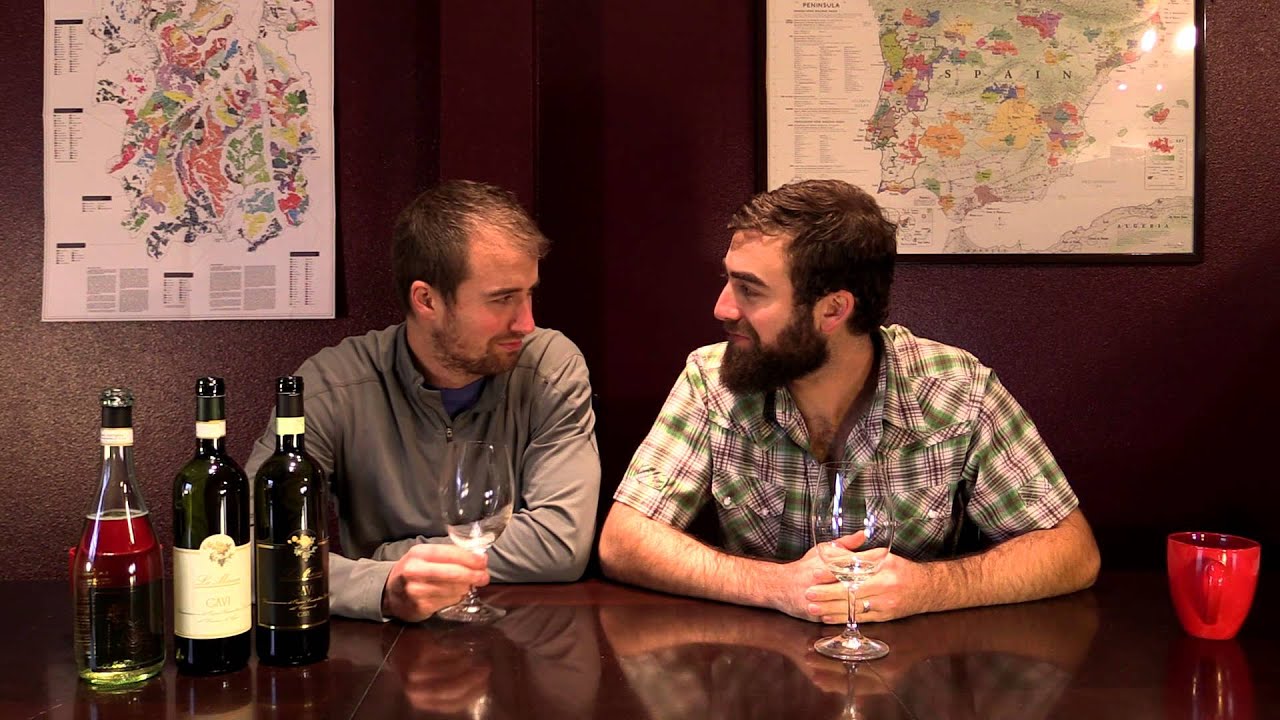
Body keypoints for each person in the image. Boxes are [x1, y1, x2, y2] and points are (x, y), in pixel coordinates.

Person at [598, 178, 1099, 624]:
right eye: (727, 280)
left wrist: (929, 588)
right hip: (757, 669)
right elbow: (624, 541)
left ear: (833, 310)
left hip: (912, 671)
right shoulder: (712, 380)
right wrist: (776, 587)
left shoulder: (956, 388)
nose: (722, 307)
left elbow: (1072, 551)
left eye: (750, 290)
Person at [245, 180, 600, 622]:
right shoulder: (332, 385)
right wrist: (380, 586)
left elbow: (561, 543)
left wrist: (391, 556)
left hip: (524, 632)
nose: (527, 322)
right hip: (377, 644)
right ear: (427, 300)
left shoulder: (549, 366)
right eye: (503, 299)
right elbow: (241, 550)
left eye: (529, 293)